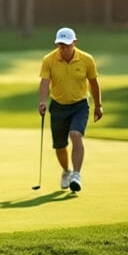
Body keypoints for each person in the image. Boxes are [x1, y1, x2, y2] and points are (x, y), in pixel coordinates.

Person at [38, 27, 103, 193]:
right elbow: (45, 82)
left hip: (79, 105)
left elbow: (94, 83)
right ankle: (66, 171)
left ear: (74, 43)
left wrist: (98, 105)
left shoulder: (86, 59)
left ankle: (76, 175)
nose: (64, 49)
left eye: (67, 45)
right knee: (60, 145)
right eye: (61, 45)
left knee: (75, 134)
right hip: (58, 106)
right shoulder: (49, 60)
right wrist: (43, 101)